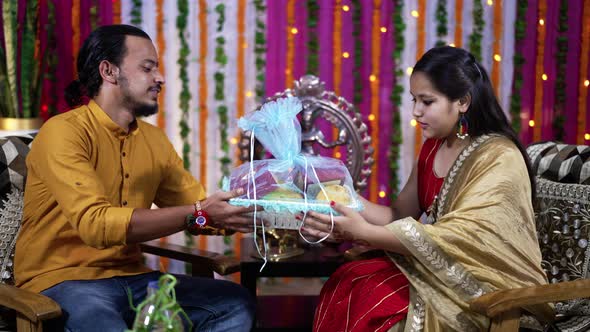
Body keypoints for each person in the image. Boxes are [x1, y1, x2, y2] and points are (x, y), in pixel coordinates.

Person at [14, 24, 256, 332]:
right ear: (109, 71)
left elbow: (196, 213)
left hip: (134, 278)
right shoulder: (63, 132)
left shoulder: (154, 141)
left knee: (233, 304)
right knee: (102, 323)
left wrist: (247, 212)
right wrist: (199, 211)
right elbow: (96, 224)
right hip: (64, 280)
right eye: (147, 68)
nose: (160, 78)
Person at [302, 46, 547, 331]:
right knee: (348, 280)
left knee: (371, 298)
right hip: (437, 266)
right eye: (414, 100)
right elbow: (398, 214)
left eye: (427, 101)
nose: (416, 111)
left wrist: (364, 233)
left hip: (482, 284)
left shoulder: (498, 156)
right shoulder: (434, 146)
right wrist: (342, 199)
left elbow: (465, 238)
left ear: (463, 102)